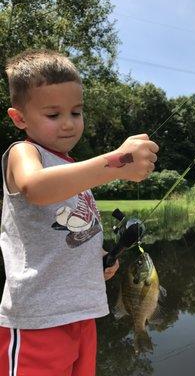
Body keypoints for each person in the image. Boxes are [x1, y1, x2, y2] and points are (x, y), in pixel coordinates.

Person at [0, 49, 159, 376]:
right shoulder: (24, 152)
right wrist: (118, 162)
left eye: (76, 111)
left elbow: (72, 234)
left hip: (82, 315)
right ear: (20, 118)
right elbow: (37, 188)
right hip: (37, 321)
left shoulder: (73, 169)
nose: (69, 124)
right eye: (53, 114)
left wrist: (98, 259)